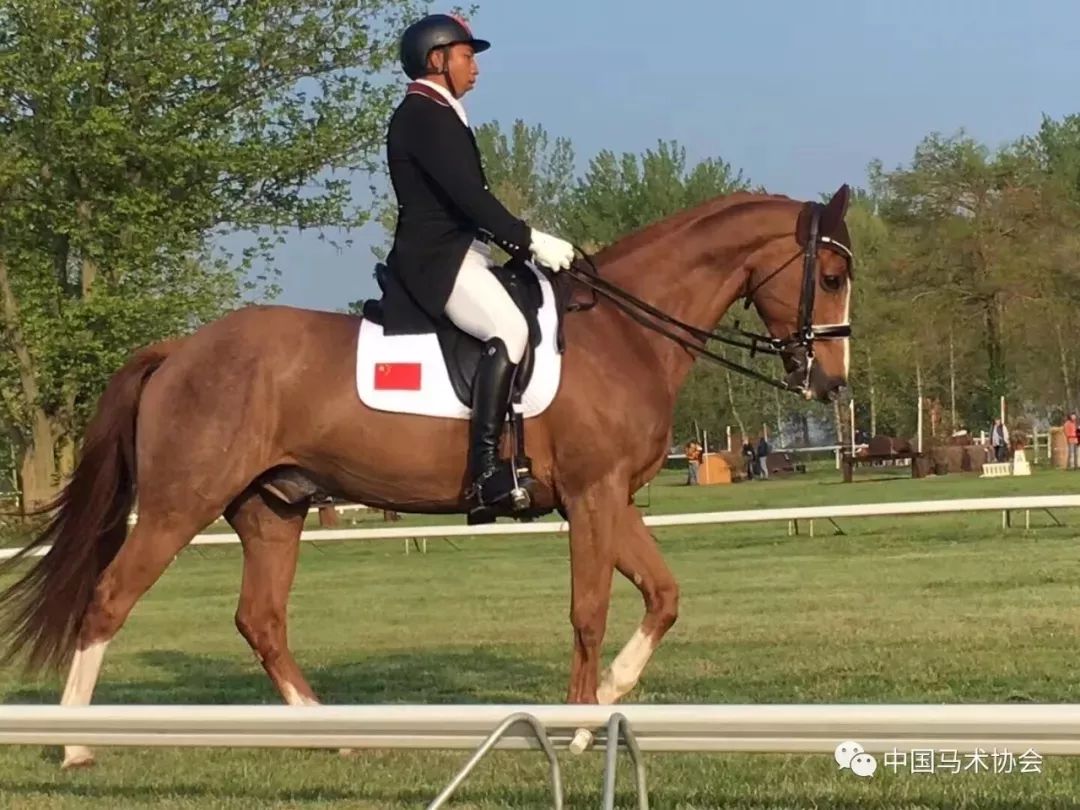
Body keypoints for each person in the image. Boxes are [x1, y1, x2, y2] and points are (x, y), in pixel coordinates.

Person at [385, 13, 576, 513]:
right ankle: (487, 470)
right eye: (467, 56)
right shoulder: (423, 114)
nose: (476, 68)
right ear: (437, 59)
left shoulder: (442, 111)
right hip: (437, 259)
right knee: (510, 330)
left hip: (461, 251)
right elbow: (470, 197)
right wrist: (529, 240)